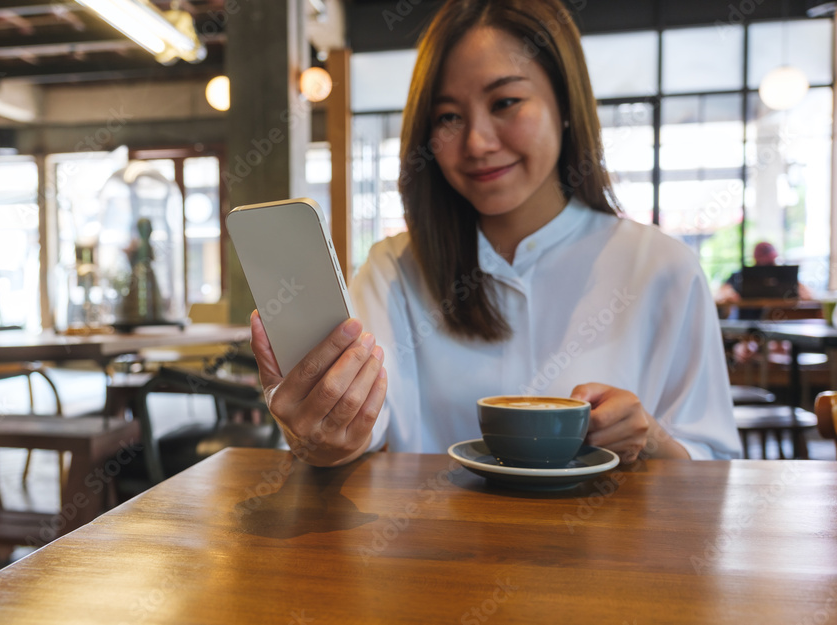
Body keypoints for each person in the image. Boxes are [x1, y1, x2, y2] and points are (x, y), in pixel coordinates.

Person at [249, 0, 741, 467]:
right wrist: (323, 431)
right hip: (433, 551)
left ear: (566, 105)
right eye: (448, 117)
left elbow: (715, 468)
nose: (478, 142)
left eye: (505, 102)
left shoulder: (661, 267)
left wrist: (651, 441)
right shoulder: (394, 270)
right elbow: (365, 431)